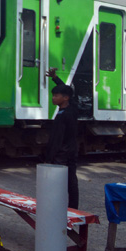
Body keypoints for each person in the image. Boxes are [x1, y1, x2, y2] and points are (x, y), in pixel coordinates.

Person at [44, 68, 79, 209]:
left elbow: (57, 139)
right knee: (69, 182)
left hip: (64, 153)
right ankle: (70, 208)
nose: (53, 98)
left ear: (65, 98)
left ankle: (69, 209)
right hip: (67, 151)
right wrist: (55, 78)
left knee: (66, 182)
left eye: (56, 96)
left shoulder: (67, 113)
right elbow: (68, 91)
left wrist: (51, 156)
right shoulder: (68, 108)